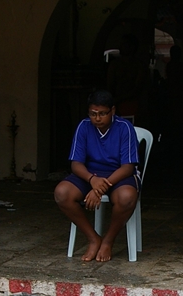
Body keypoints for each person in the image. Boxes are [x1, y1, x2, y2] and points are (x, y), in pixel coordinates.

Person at [55, 90, 141, 262]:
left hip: (118, 175)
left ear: (113, 111)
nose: (98, 118)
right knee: (62, 193)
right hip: (90, 175)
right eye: (93, 114)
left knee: (127, 197)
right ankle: (93, 238)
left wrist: (100, 188)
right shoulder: (84, 127)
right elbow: (76, 164)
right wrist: (92, 180)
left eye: (102, 114)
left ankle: (108, 240)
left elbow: (128, 167)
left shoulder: (124, 128)